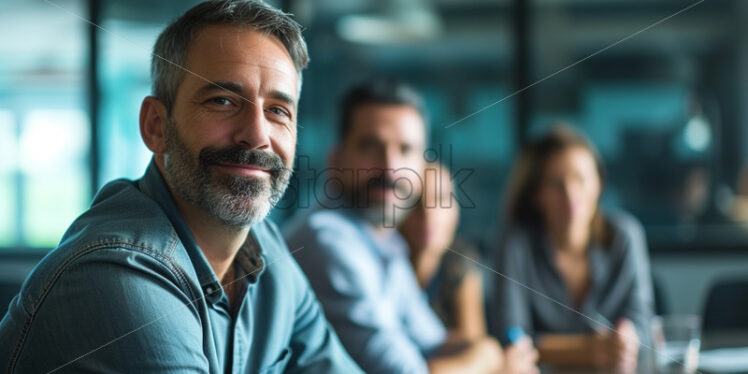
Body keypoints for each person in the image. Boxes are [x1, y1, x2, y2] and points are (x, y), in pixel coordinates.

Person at [0, 1, 362, 372]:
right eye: (222, 101)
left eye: (278, 111)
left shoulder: (266, 249)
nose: (257, 135)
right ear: (157, 126)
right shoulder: (117, 273)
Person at [285, 79, 538, 374]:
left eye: (406, 150)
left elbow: (434, 341)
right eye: (370, 147)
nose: (391, 168)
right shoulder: (326, 239)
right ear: (335, 160)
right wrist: (491, 362)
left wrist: (489, 353)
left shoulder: (383, 238)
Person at [493, 125, 654, 372]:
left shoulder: (624, 236)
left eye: (580, 178)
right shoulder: (516, 245)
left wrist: (627, 336)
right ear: (536, 194)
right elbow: (511, 336)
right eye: (556, 183)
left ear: (599, 184)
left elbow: (642, 323)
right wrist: (589, 350)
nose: (570, 194)